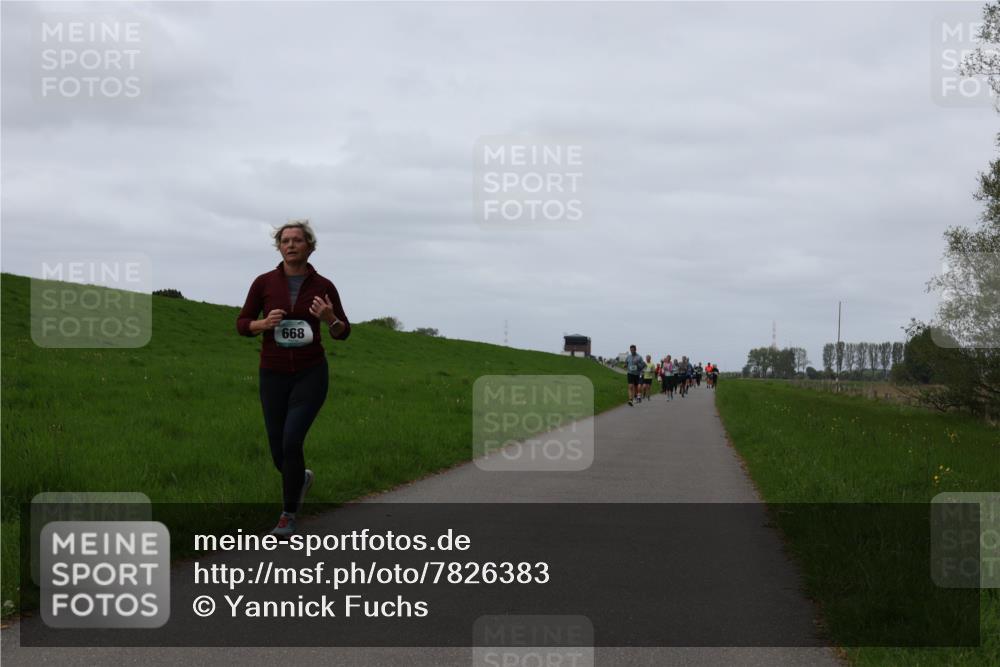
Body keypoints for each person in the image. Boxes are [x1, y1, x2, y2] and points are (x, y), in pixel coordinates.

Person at [236, 220, 351, 537]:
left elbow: (343, 333)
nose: (290, 245)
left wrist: (331, 319)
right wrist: (261, 325)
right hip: (272, 373)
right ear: (279, 247)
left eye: (297, 240)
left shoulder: (323, 285)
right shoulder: (263, 283)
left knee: (291, 441)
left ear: (309, 246)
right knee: (278, 450)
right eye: (285, 240)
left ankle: (288, 516)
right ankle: (300, 479)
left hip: (310, 373)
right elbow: (242, 323)